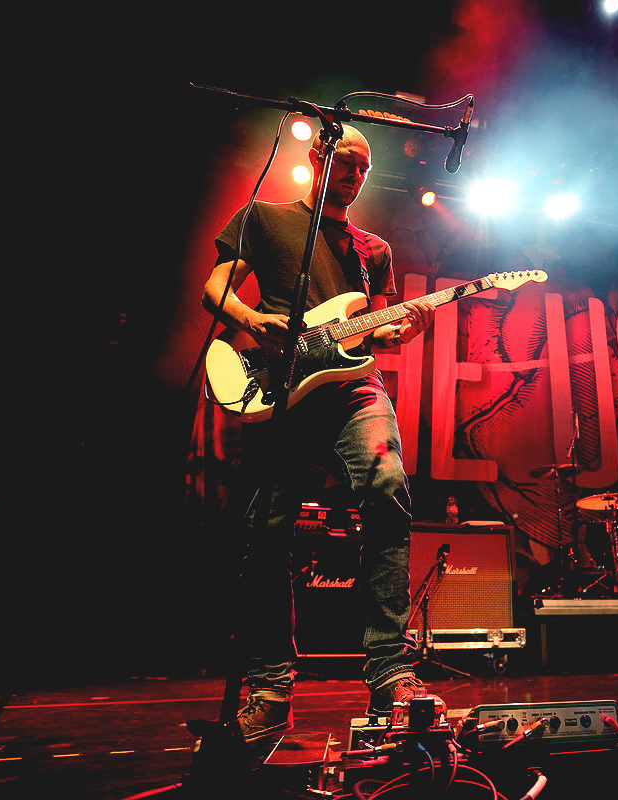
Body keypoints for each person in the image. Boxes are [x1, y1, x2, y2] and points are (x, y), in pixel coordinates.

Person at [201, 123, 436, 743]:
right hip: (282, 388)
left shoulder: (373, 249)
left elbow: (376, 331)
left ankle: (390, 672)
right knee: (265, 529)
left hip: (354, 389)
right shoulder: (265, 218)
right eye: (347, 162)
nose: (355, 176)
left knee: (387, 484)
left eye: (364, 168)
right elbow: (215, 287)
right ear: (317, 155)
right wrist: (252, 317)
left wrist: (401, 330)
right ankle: (270, 688)